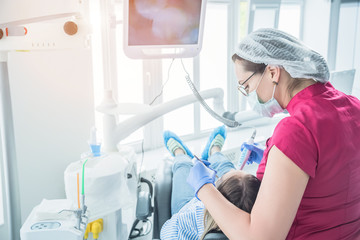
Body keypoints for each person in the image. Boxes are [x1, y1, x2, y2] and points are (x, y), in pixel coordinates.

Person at [187, 28, 360, 239]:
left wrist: (204, 188)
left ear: (272, 72)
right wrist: (276, 159)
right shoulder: (353, 106)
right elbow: (333, 171)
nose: (250, 95)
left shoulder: (296, 129)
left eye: (247, 86)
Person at [160, 126, 261, 240]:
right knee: (226, 167)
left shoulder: (190, 217)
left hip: (187, 206)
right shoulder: (259, 217)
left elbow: (166, 232)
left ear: (216, 190)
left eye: (220, 178)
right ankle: (214, 150)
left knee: (182, 167)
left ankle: (180, 153)